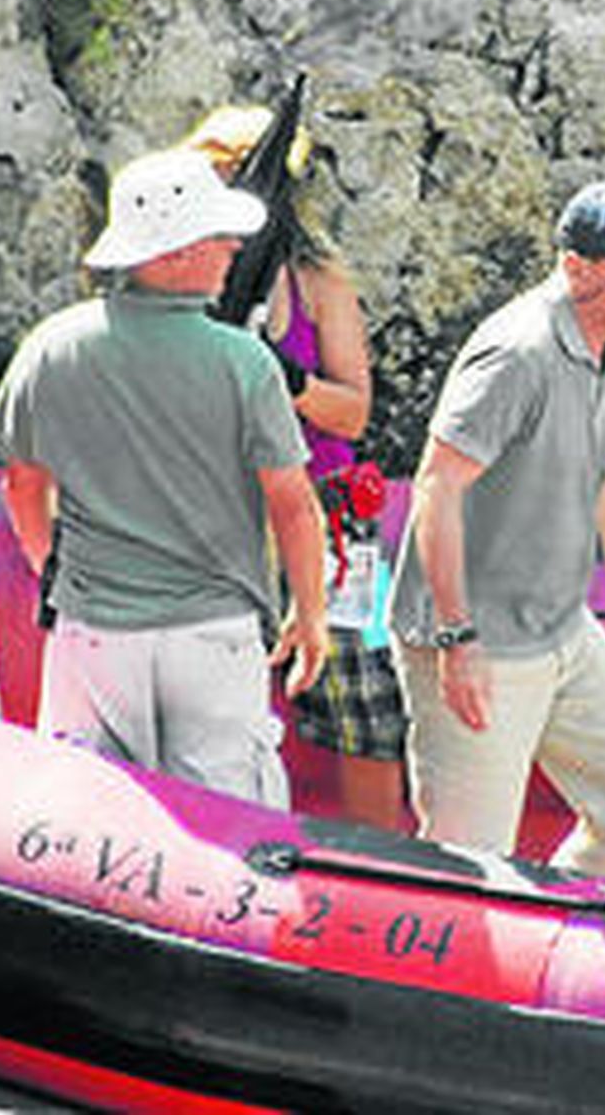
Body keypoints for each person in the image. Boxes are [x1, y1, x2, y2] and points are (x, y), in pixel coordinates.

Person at [0, 146, 330, 807]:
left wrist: (49, 566)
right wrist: (308, 615)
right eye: (219, 240)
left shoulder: (51, 348)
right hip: (212, 633)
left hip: (93, 632)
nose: (232, 249)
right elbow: (292, 503)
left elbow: (22, 485)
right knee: (230, 825)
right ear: (174, 253)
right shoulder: (243, 363)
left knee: (83, 811)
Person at [387, 180, 605, 883]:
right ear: (578, 268)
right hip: (476, 637)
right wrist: (456, 638)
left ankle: (563, 936)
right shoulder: (517, 354)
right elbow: (437, 487)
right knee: (470, 867)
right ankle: (463, 974)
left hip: (562, 628)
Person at [184, 104, 405, 831]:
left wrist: (285, 376)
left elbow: (354, 413)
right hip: (221, 507)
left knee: (367, 707)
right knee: (210, 689)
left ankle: (380, 863)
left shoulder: (318, 282)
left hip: (331, 510)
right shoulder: (176, 275)